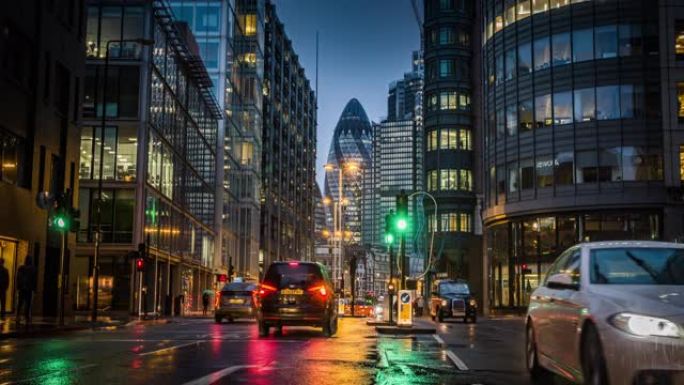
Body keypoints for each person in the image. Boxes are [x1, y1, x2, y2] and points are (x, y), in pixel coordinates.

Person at [16, 256, 36, 326]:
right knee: (27, 304)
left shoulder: (21, 268)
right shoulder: (32, 269)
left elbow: (18, 278)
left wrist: (18, 286)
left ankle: (18, 315)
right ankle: (26, 316)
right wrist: (33, 288)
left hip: (22, 288)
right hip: (28, 289)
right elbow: (34, 280)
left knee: (20, 303)